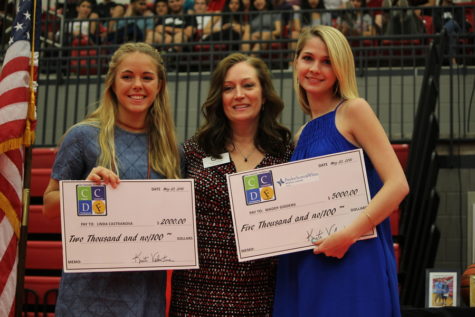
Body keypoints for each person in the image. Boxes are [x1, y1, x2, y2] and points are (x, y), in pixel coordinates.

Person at [273, 25, 409, 317]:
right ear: (295, 62)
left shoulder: (354, 110)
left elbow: (398, 185)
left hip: (353, 256)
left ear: (340, 69)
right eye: (308, 58)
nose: (315, 68)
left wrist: (348, 235)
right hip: (309, 260)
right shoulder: (302, 133)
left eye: (327, 61)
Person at [43, 42, 181, 316]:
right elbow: (48, 207)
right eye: (127, 76)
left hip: (144, 296)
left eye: (147, 77)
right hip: (86, 295)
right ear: (112, 83)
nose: (137, 85)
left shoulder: (171, 149)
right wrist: (84, 190)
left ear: (160, 85)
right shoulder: (82, 136)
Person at [169, 52, 293, 315]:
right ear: (219, 97)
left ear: (264, 93)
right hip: (196, 296)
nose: (239, 94)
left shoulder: (286, 154)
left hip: (261, 296)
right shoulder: (193, 151)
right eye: (228, 88)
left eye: (248, 85)